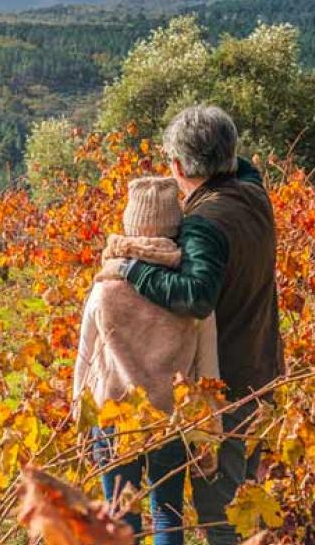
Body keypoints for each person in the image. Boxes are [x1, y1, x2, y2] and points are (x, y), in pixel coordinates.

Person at [103, 105, 281, 545]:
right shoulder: (253, 193)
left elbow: (196, 296)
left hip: (228, 387)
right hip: (264, 370)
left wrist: (131, 269)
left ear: (179, 165)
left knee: (219, 515)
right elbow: (241, 162)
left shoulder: (205, 222)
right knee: (243, 501)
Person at [74, 176, 219, 545]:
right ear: (176, 227)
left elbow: (85, 359)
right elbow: (208, 369)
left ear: (129, 224)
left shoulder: (105, 287)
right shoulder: (190, 293)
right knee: (167, 515)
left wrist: (80, 418)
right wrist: (210, 431)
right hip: (171, 420)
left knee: (121, 519)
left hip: (112, 420)